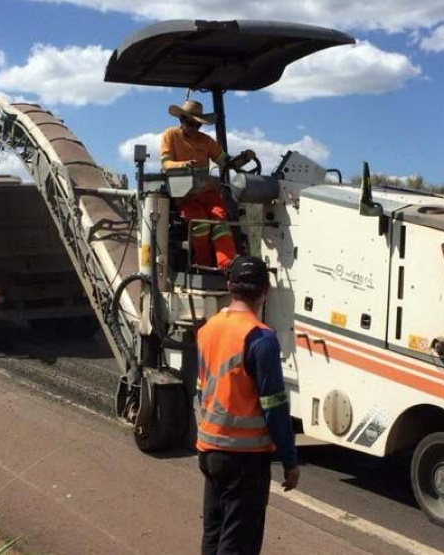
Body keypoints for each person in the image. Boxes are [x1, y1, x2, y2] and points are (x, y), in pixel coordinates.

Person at [196, 256, 299, 555]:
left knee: (213, 535)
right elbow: (275, 407)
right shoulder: (261, 339)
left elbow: (202, 389)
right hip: (245, 458)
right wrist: (290, 460)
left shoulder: (208, 330)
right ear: (264, 291)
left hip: (210, 449)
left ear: (230, 287)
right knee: (239, 542)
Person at [161, 99, 256, 269]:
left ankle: (227, 264)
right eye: (190, 123)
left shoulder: (206, 141)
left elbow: (226, 162)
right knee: (200, 223)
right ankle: (203, 265)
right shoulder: (170, 135)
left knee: (220, 220)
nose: (193, 127)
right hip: (185, 196)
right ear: (181, 120)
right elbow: (166, 164)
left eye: (197, 125)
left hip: (207, 193)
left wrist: (244, 158)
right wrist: (184, 165)